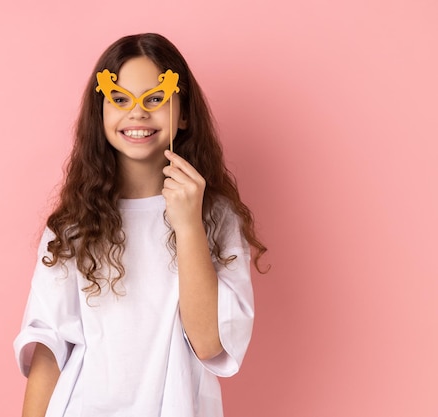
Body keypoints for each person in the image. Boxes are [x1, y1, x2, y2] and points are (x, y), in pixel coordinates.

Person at [14, 33, 268, 417]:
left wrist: (187, 225)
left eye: (155, 99)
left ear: (183, 114)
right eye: (119, 100)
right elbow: (49, 346)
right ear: (100, 113)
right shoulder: (72, 226)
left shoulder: (215, 218)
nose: (137, 113)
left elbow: (209, 342)